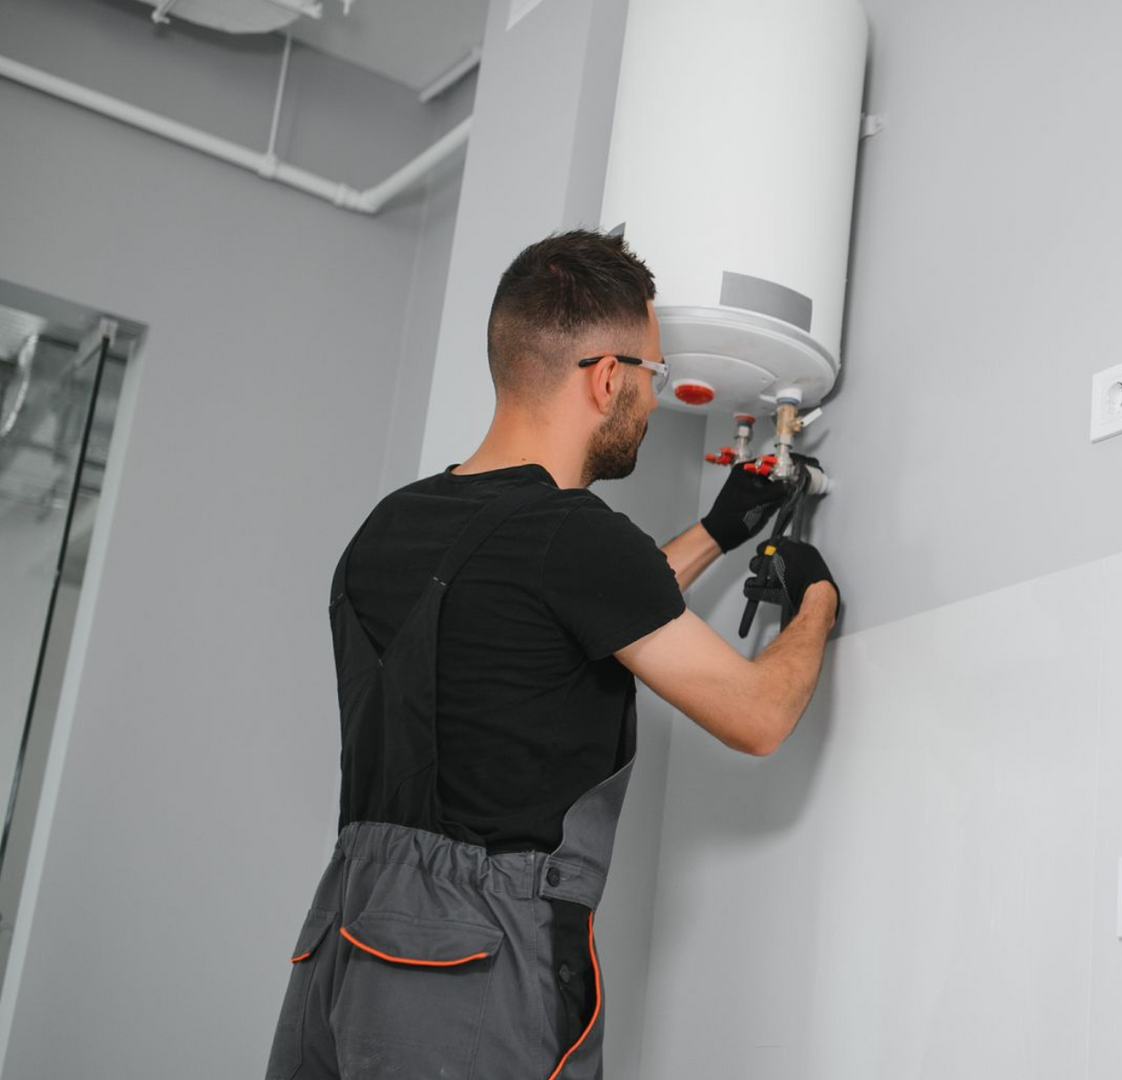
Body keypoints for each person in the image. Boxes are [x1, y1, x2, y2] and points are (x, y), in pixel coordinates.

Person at [263, 229, 838, 1080]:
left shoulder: (389, 525)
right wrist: (816, 597)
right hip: (471, 967)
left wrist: (718, 533)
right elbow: (757, 717)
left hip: (344, 944)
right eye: (651, 373)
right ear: (607, 378)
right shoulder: (573, 538)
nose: (653, 393)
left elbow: (549, 622)